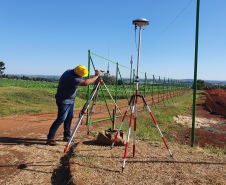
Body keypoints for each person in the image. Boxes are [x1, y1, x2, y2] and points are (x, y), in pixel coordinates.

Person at [47, 65, 101, 146]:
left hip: (71, 100)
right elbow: (86, 83)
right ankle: (50, 137)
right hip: (63, 100)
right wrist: (96, 76)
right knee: (61, 118)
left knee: (69, 117)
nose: (82, 76)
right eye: (81, 75)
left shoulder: (72, 71)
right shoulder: (70, 76)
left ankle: (66, 135)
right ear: (77, 73)